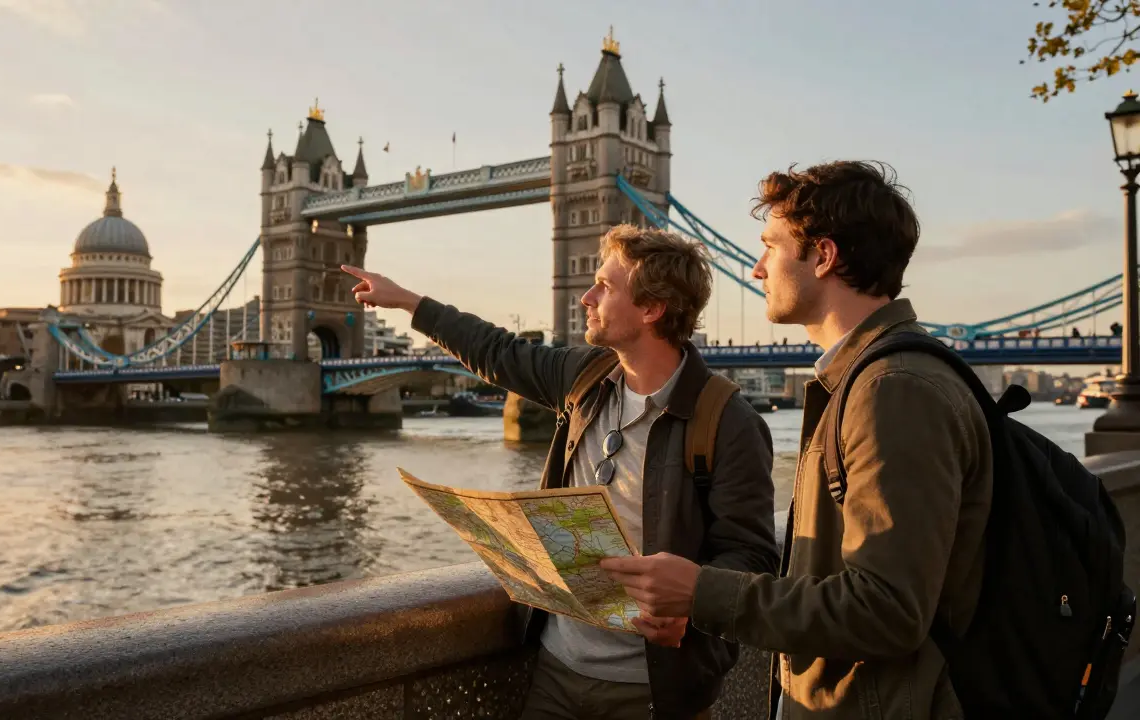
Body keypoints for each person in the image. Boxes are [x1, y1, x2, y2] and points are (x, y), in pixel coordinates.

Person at [601, 161, 993, 718]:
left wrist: (701, 592)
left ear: (824, 256)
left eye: (770, 246)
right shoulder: (862, 379)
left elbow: (887, 609)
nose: (757, 268)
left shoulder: (893, 390)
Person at [342, 225, 779, 720]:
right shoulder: (584, 377)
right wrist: (407, 302)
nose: (586, 298)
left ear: (652, 309)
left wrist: (695, 603)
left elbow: (752, 554)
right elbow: (496, 351)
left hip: (654, 687)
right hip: (556, 668)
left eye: (604, 287)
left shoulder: (728, 422)